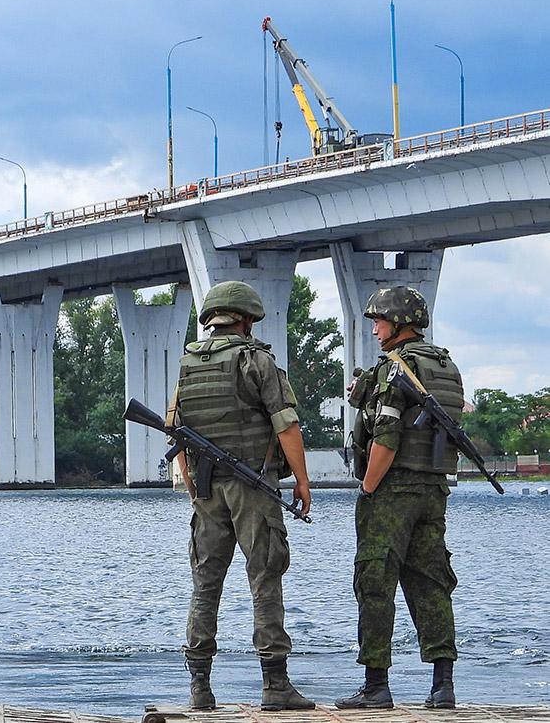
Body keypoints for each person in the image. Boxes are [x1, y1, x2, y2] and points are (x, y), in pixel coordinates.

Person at [172, 280, 314, 712]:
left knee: (205, 583)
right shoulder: (256, 360)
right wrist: (302, 483)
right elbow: (286, 424)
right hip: (253, 485)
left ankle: (200, 687)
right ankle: (275, 686)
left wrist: (194, 486)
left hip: (208, 488)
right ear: (246, 319)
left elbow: (175, 431)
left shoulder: (188, 363)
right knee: (265, 578)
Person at [337, 286, 461, 710]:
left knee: (375, 583)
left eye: (378, 321)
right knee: (433, 583)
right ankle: (442, 686)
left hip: (393, 490)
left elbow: (386, 439)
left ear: (399, 322)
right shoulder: (444, 365)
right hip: (434, 487)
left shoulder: (397, 369)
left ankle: (376, 686)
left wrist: (368, 487)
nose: (373, 330)